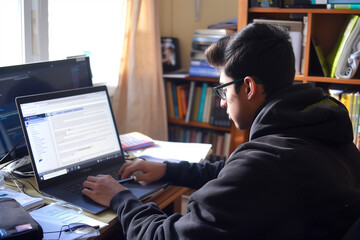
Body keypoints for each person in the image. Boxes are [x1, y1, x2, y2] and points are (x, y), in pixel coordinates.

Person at [82, 23, 360, 239]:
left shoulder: (266, 163)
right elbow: (231, 174)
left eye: (223, 90)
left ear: (249, 87)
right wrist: (168, 170)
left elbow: (164, 236)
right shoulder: (317, 129)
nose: (221, 101)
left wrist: (119, 197)